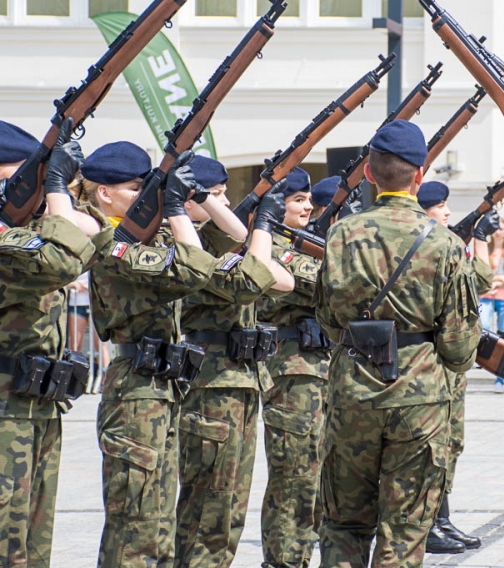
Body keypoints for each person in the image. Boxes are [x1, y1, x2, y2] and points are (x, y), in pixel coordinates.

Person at [314, 120, 482, 567]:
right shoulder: (446, 244)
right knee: (405, 530)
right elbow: (460, 348)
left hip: (353, 392)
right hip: (419, 400)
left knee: (344, 523)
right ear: (420, 177)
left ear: (368, 173)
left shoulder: (340, 235)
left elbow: (329, 321)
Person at [0, 119, 103, 567]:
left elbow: (100, 237)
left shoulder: (14, 231)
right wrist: (55, 189)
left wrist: (54, 189)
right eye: (30, 171)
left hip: (35, 403)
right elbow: (60, 260)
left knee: (29, 551)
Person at [76, 142, 218, 568]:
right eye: (137, 188)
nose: (145, 198)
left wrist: (187, 200)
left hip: (162, 385)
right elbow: (197, 267)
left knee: (158, 525)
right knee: (134, 526)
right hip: (136, 390)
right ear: (104, 193)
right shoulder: (112, 245)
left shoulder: (145, 238)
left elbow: (219, 238)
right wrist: (173, 206)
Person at [175, 154, 294, 568]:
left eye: (226, 196)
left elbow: (282, 279)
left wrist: (247, 219)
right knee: (208, 507)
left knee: (228, 511)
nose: (224, 204)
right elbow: (259, 277)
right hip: (210, 385)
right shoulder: (188, 249)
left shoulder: (225, 244)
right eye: (215, 196)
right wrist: (257, 224)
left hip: (239, 381)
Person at [256, 167, 332, 568]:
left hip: (317, 371)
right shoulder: (268, 246)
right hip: (291, 372)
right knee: (294, 476)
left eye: (307, 199)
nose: (306, 206)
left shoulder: (306, 242)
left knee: (315, 477)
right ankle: (284, 560)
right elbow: (323, 280)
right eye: (296, 200)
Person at [417, 180, 497, 555]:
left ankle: (441, 518)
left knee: (452, 443)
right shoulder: (429, 247)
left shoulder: (448, 244)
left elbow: (481, 279)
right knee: (436, 446)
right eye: (440, 206)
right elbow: (478, 277)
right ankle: (429, 522)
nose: (447, 212)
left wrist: (477, 236)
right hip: (435, 362)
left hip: (452, 366)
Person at [479, 216, 504, 392]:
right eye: (495, 228)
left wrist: (500, 280)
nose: (497, 232)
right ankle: (482, 358)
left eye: (501, 229)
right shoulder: (485, 248)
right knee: (484, 328)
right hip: (487, 295)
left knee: (502, 336)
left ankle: (500, 380)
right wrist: (495, 282)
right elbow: (479, 274)